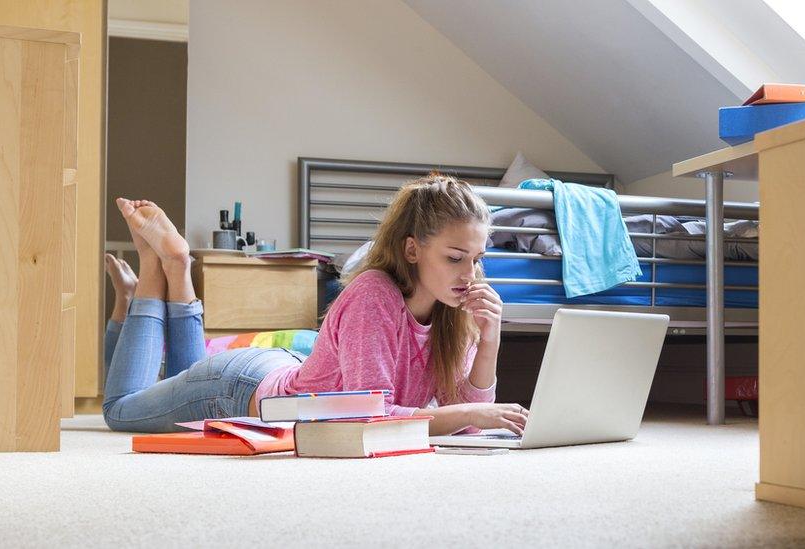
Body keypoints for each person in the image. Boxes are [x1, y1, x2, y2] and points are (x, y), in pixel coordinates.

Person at [102, 174, 529, 436]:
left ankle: (174, 272)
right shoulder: (374, 295)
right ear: (413, 249)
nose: (469, 274)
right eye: (454, 258)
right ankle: (157, 266)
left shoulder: (453, 310)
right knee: (120, 410)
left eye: (477, 259)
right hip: (240, 391)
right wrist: (471, 411)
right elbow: (371, 416)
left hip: (280, 372)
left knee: (174, 380)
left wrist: (488, 340)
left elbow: (469, 424)